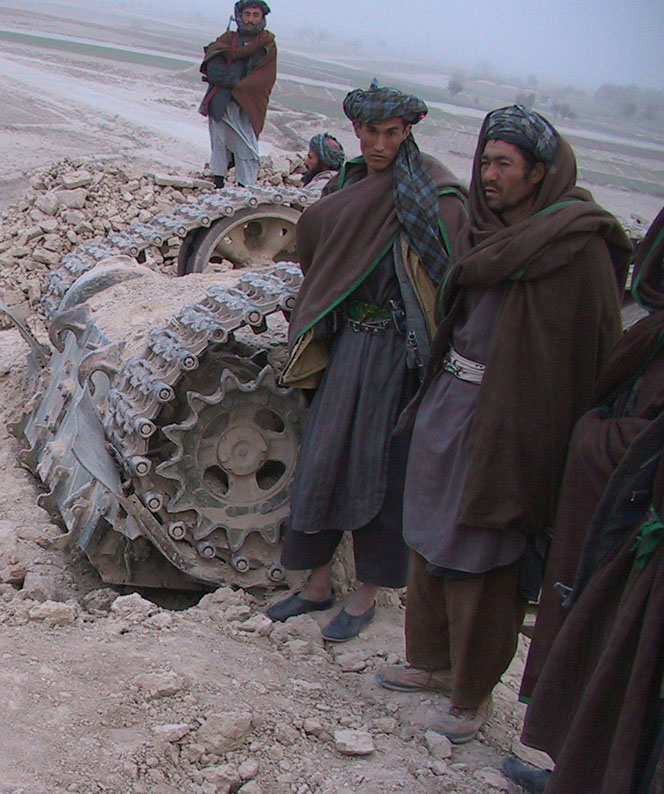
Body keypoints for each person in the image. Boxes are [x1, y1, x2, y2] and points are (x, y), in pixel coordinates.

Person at [378, 105, 632, 744]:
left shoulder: (577, 244)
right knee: (432, 537)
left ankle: (472, 696)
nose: (488, 175)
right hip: (452, 406)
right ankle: (431, 663)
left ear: (540, 172)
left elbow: (594, 353)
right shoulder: (482, 232)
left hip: (513, 421)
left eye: (504, 165)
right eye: (485, 162)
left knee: (482, 553)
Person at [267, 82, 467, 643]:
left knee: (384, 470)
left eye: (392, 133)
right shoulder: (349, 182)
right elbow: (322, 252)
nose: (380, 143)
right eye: (371, 132)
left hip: (400, 356)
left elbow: (453, 276)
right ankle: (316, 584)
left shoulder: (433, 194)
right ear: (355, 132)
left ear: (408, 133)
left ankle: (367, 594)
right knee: (324, 457)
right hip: (348, 343)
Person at [500, 205, 664, 794]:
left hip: (646, 538)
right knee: (605, 657)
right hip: (626, 526)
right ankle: (574, 774)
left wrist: (594, 435)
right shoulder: (654, 331)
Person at [199, 0, 277, 188]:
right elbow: (213, 67)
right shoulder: (227, 39)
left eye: (255, 15)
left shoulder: (268, 46)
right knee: (219, 143)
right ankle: (218, 184)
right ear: (240, 16)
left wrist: (236, 83)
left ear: (262, 18)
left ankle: (245, 189)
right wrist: (236, 80)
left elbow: (264, 79)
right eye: (247, 14)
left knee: (246, 148)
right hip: (221, 104)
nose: (250, 20)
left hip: (246, 105)